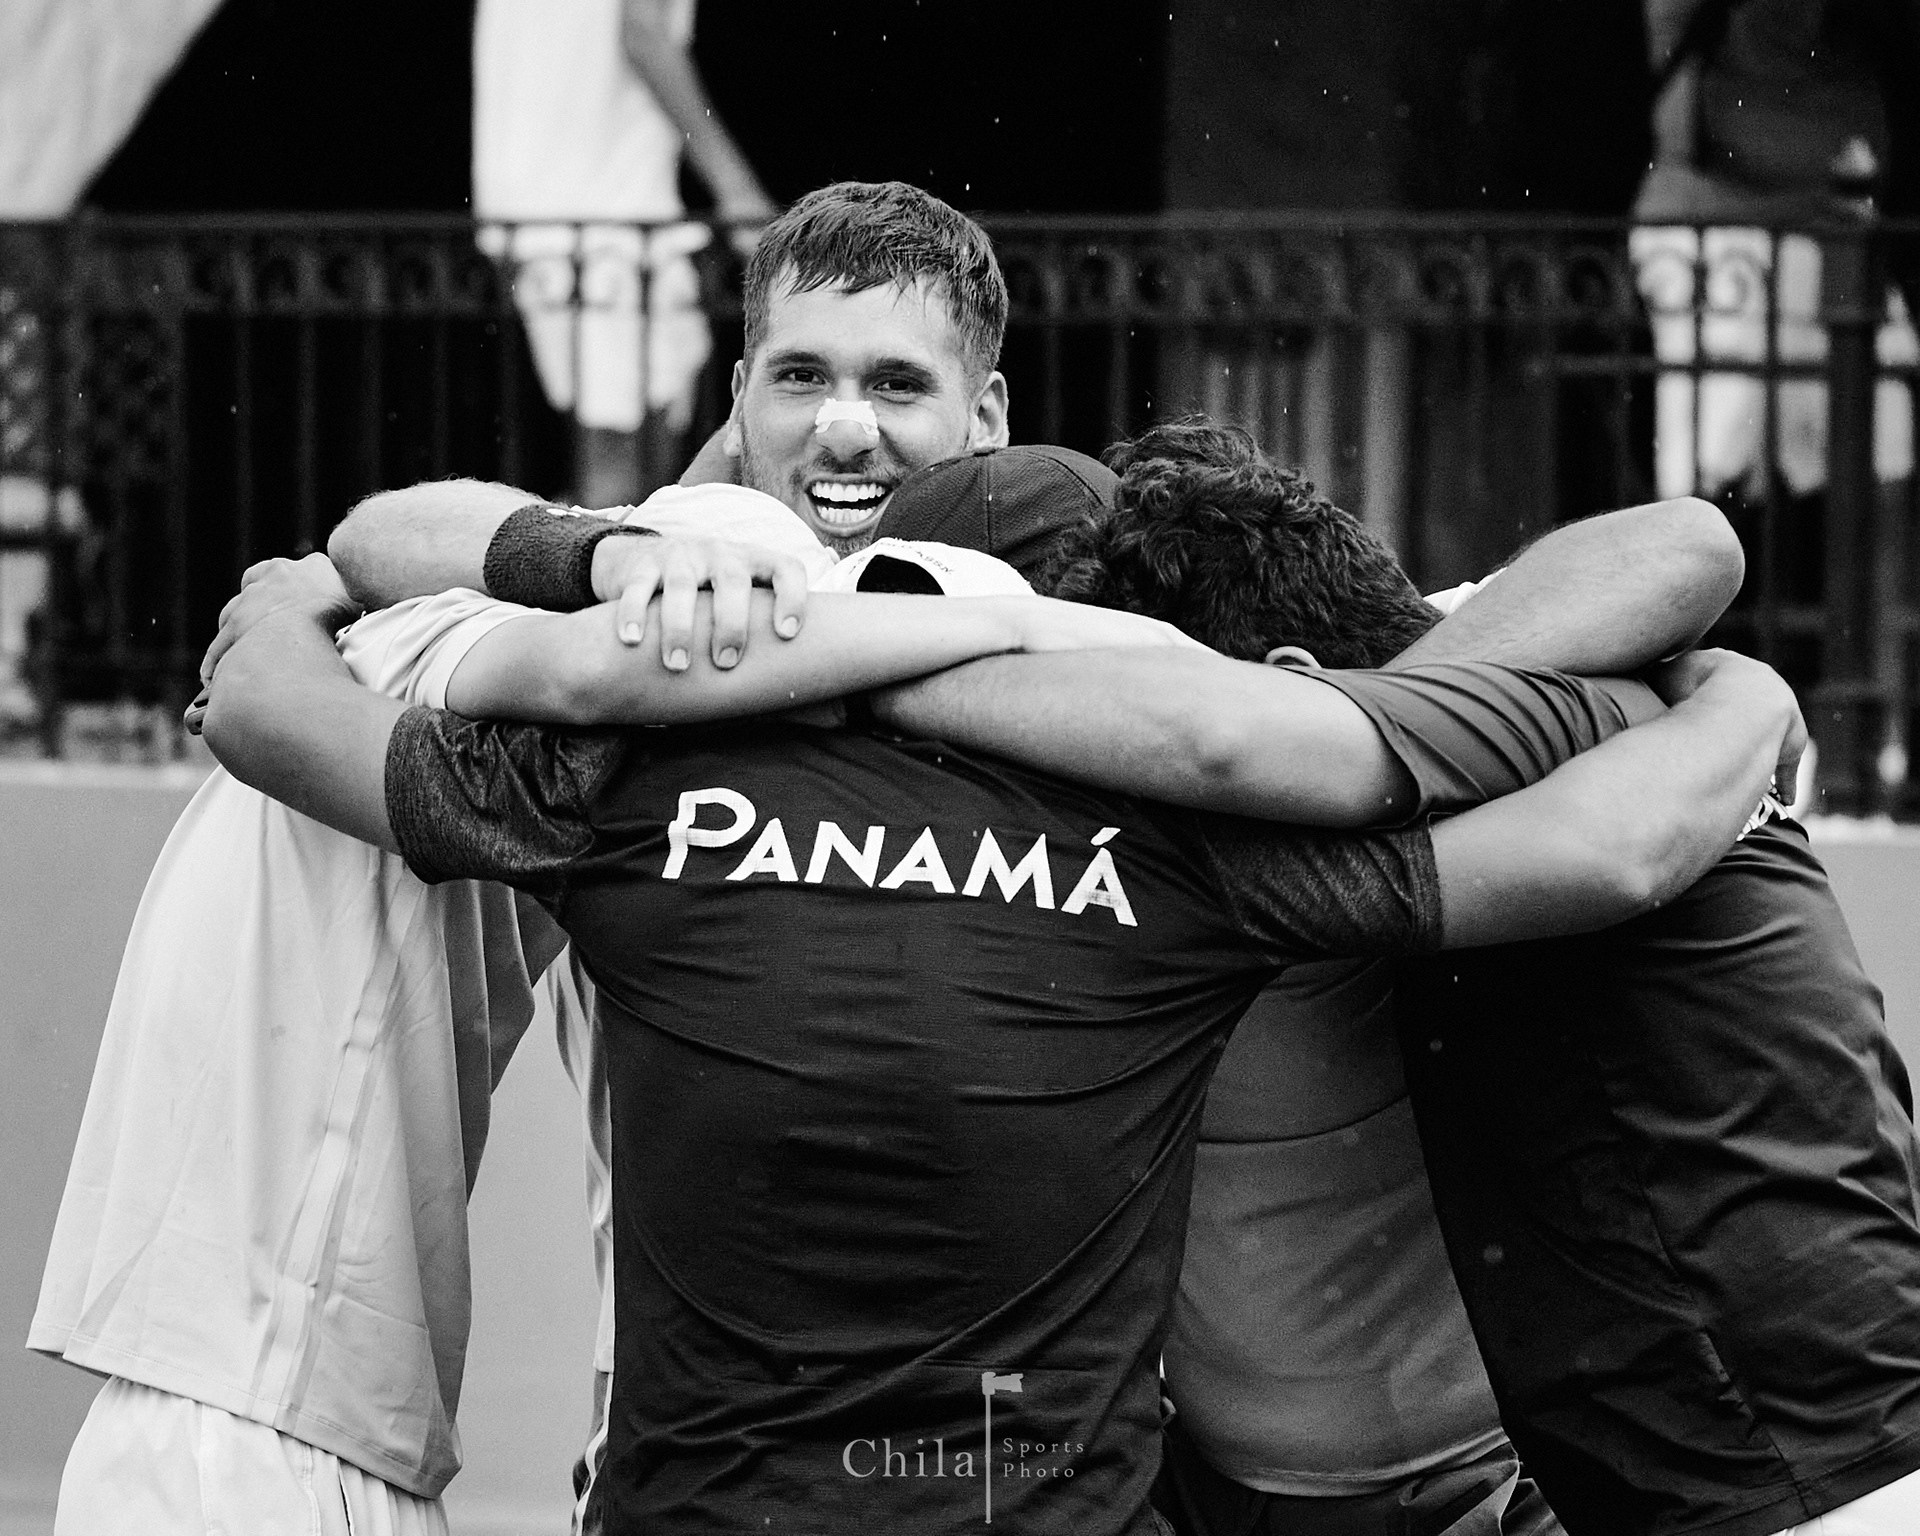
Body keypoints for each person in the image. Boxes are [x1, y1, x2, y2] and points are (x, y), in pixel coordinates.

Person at [200, 442, 1798, 1532]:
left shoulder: (636, 784)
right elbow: (1613, 827)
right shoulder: (1199, 831)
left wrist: (286, 604)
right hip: (1057, 1497)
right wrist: (1743, 698)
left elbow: (284, 702)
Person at [34, 471, 1200, 1533]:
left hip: (299, 1381)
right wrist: (1018, 632)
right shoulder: (502, 669)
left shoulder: (559, 722)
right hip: (255, 1387)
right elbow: (564, 650)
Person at [1007, 422, 1920, 1536]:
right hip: (1728, 1440)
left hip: (1775, 1460)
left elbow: (1686, 563)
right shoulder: (1542, 668)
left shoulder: (1520, 729)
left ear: (1287, 686)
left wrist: (1349, 747)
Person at [473, 0, 774, 505]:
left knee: (629, 446)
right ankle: (602, 569)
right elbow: (643, 34)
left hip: (536, 212)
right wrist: (736, 189)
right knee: (622, 454)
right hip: (609, 220)